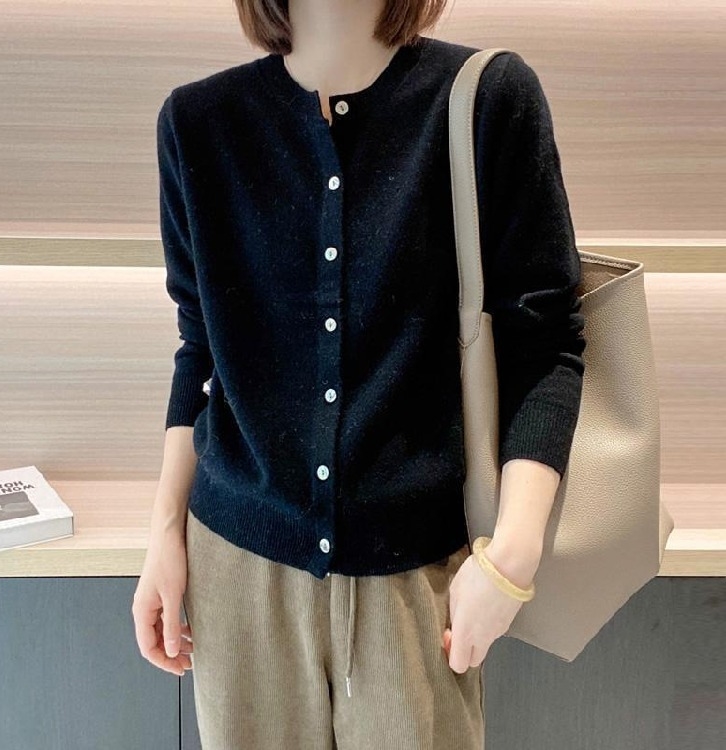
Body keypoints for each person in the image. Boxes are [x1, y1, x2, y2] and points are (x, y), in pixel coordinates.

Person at [132, 0, 586, 748]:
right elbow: (199, 347)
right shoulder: (197, 124)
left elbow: (547, 345)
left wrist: (512, 557)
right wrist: (163, 535)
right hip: (235, 576)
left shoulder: (485, 99)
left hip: (417, 586)